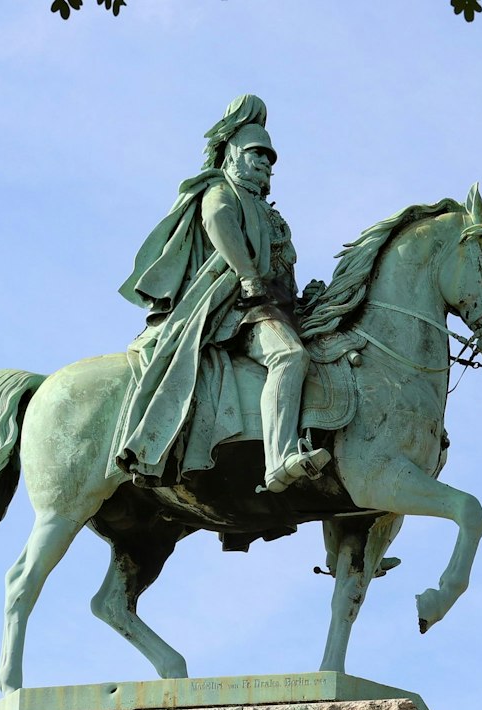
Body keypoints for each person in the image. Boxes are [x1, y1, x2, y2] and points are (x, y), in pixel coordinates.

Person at [115, 95, 329, 493]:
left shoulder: (268, 212)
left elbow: (281, 271)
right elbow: (217, 221)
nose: (266, 163)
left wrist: (305, 300)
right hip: (240, 309)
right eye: (256, 154)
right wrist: (248, 276)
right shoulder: (221, 191)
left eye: (269, 157)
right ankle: (279, 461)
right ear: (232, 155)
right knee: (289, 355)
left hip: (278, 307)